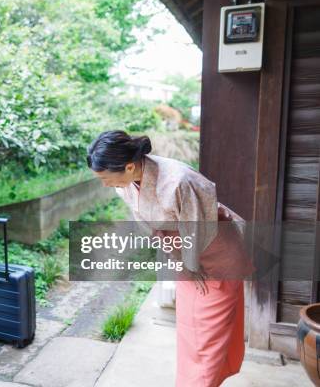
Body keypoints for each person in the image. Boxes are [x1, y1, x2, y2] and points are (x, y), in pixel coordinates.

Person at [87, 130, 247, 387]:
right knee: (190, 333)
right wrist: (180, 261)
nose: (105, 184)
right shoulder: (126, 184)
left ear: (128, 166)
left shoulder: (178, 180)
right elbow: (152, 227)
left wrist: (191, 263)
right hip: (184, 256)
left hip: (215, 255)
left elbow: (200, 227)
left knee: (209, 337)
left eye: (105, 178)